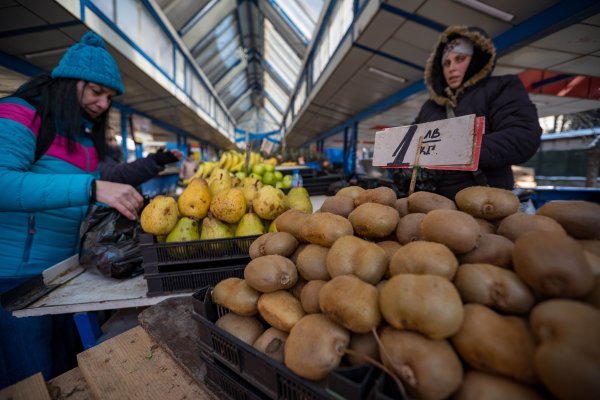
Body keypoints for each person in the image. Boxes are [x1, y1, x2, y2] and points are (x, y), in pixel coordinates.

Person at [0, 31, 144, 388]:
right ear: (65, 82)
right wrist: (92, 187)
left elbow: (82, 199)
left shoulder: (83, 139)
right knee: (34, 380)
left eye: (109, 96)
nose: (103, 104)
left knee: (72, 373)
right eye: (96, 91)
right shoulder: (19, 115)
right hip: (16, 281)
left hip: (67, 276)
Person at [393, 25, 542, 199]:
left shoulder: (502, 87)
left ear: (476, 59)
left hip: (486, 202)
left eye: (460, 59)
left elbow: (523, 137)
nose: (452, 68)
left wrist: (460, 148)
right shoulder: (430, 106)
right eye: (447, 63)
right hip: (433, 204)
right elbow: (411, 144)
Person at [101, 126, 183, 187]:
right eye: (109, 139)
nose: (114, 143)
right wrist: (155, 160)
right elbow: (121, 175)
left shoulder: (117, 158)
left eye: (114, 139)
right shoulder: (101, 161)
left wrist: (157, 159)